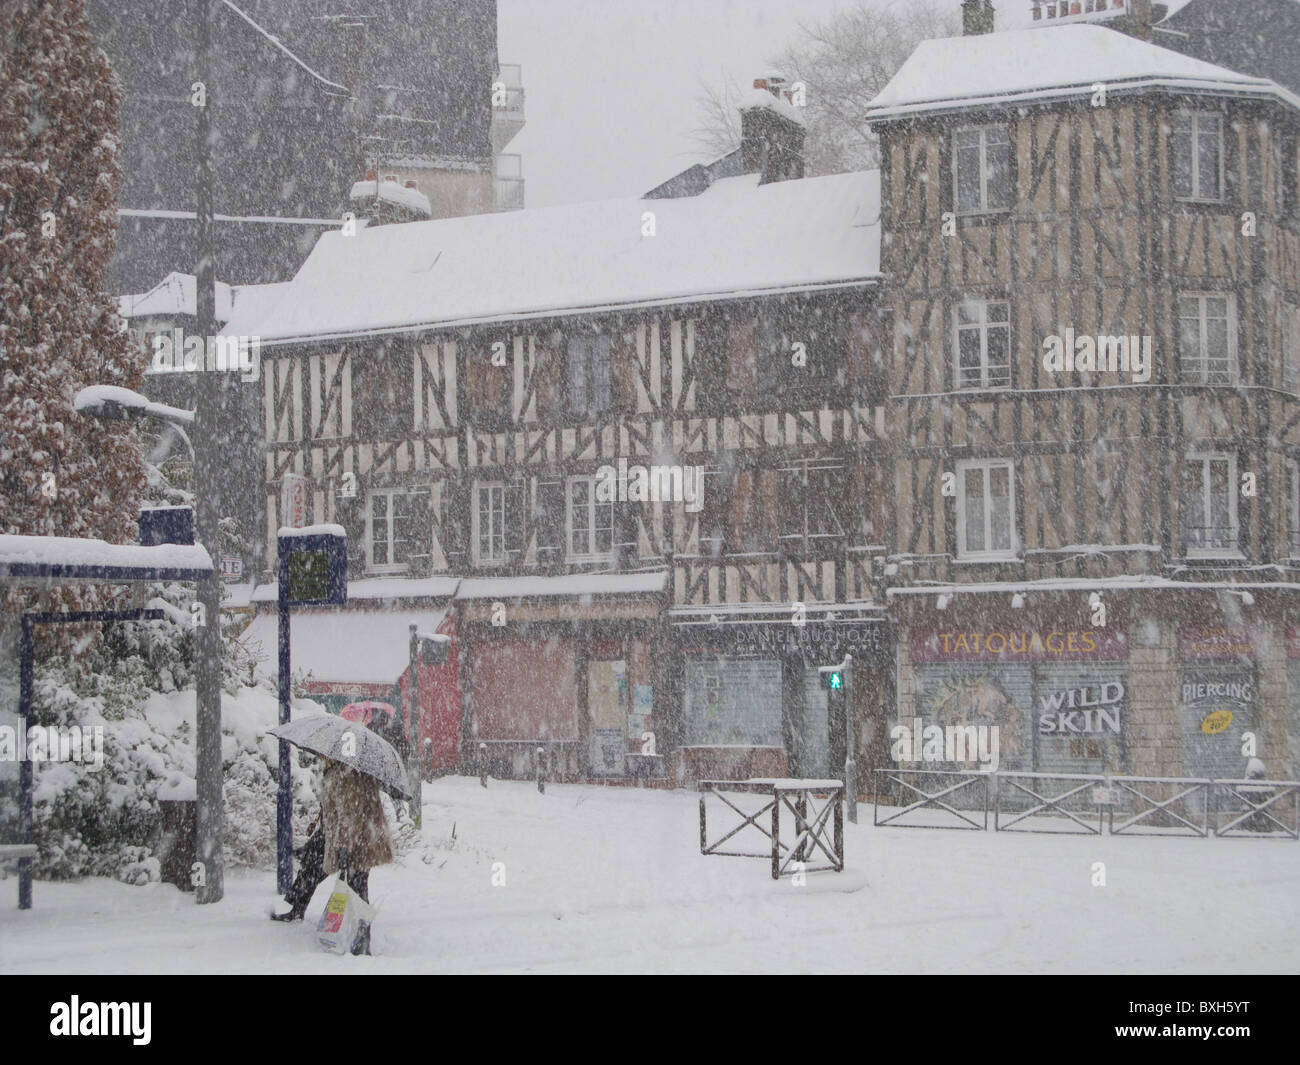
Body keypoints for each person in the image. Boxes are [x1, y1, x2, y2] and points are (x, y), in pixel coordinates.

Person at [320, 756, 395, 955]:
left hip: (358, 843)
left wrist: (344, 848)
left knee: (357, 890)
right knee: (358, 888)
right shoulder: (352, 771)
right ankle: (360, 935)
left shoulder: (345, 775)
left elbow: (348, 815)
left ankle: (362, 937)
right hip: (364, 838)